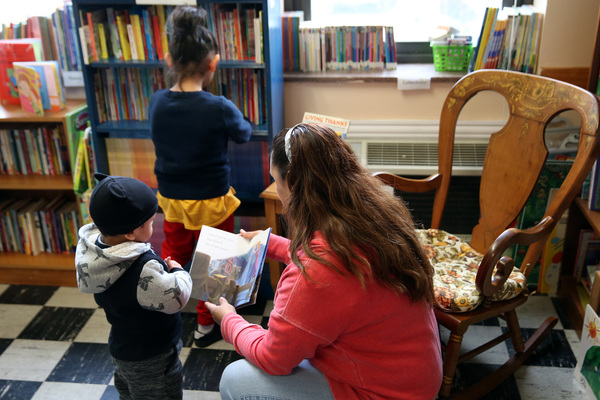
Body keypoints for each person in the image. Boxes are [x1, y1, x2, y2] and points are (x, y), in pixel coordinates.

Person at [205, 123, 443, 400]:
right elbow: (338, 263)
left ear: (291, 181)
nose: (277, 191)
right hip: (413, 376)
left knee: (235, 380)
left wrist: (229, 321)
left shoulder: (316, 272)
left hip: (383, 393)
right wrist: (273, 244)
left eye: (275, 180)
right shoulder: (375, 216)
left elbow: (273, 358)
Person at [148, 6, 253, 347]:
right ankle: (206, 326)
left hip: (173, 199)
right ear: (213, 63)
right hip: (212, 200)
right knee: (216, 261)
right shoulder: (218, 106)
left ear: (169, 60)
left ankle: (168, 312)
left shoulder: (157, 102)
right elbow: (244, 133)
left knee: (174, 252)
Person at [75, 173, 192, 400]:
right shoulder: (141, 268)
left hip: (122, 347)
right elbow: (176, 298)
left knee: (129, 393)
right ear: (130, 233)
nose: (154, 225)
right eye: (151, 222)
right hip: (153, 356)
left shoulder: (94, 254)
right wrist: (179, 272)